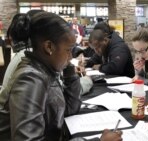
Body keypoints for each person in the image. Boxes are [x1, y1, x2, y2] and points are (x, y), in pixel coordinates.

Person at [0, 12, 121, 141]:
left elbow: (70, 108)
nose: (70, 57)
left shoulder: (46, 69)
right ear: (49, 47)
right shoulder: (30, 78)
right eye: (68, 50)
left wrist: (68, 68)